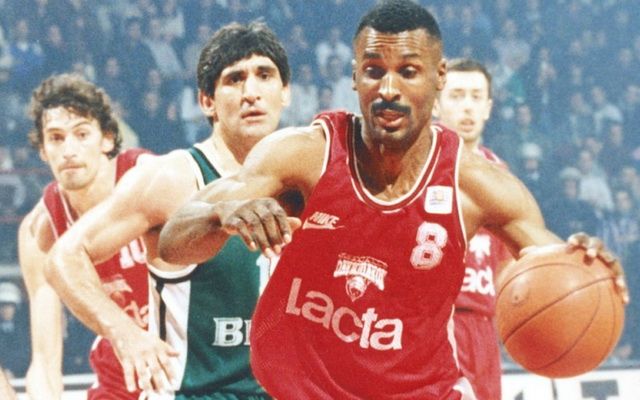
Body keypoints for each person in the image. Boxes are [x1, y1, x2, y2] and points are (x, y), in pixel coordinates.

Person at [157, 1, 628, 399]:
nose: (388, 90)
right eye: (373, 71)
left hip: (422, 390)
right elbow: (173, 241)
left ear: (439, 78)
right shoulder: (306, 154)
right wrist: (222, 213)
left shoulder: (477, 184)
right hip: (301, 390)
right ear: (354, 77)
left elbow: (550, 260)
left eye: (408, 72)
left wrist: (587, 266)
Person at [45, 22, 291, 397]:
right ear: (206, 101)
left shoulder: (304, 177)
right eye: (234, 79)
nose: (251, 93)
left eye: (265, 75)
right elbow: (64, 257)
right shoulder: (171, 177)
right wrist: (124, 333)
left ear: (286, 92)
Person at [18, 73, 155, 399]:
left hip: (189, 353)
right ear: (42, 150)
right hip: (122, 369)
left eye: (81, 134)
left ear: (107, 139)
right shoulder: (40, 230)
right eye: (56, 138)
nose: (69, 150)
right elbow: (44, 361)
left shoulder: (149, 177)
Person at [432, 58, 512, 400]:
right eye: (457, 95)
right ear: (435, 104)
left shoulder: (499, 172)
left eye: (476, 96)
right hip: (433, 326)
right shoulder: (415, 165)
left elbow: (506, 260)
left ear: (488, 107)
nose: (467, 106)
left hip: (483, 328)